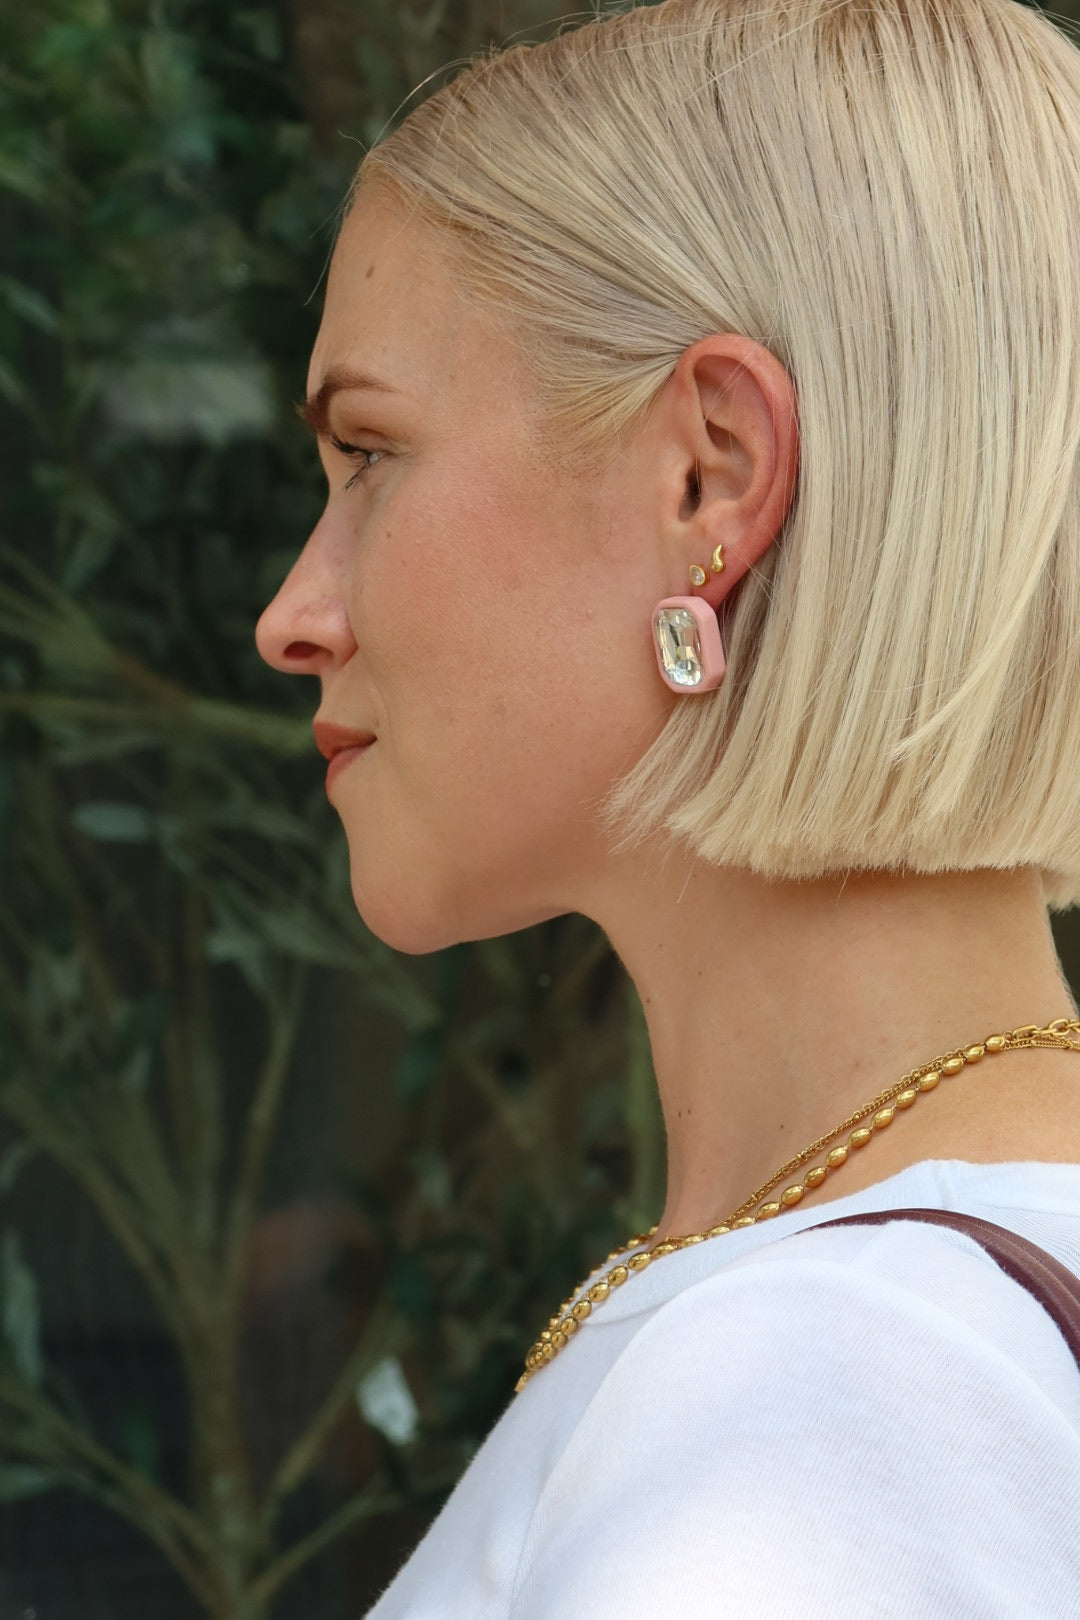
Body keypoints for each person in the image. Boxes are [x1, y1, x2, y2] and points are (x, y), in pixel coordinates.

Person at [254, 0, 1080, 1610]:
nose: (294, 612)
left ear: (709, 477)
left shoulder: (825, 1391)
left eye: (368, 455)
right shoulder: (888, 1325)